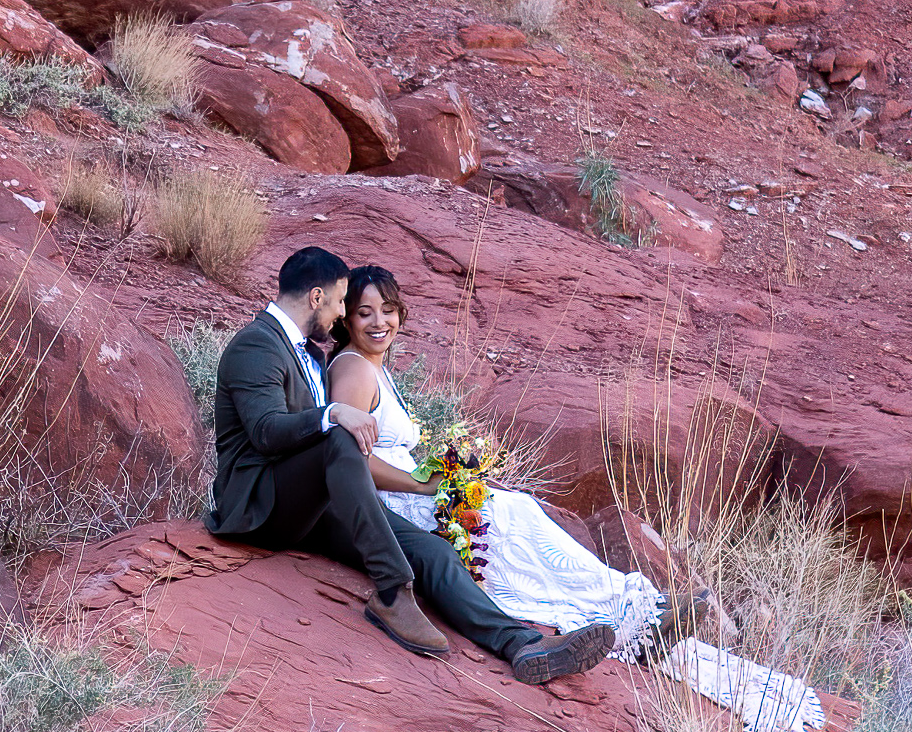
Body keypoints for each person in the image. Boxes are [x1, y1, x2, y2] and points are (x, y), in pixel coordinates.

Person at [207, 246, 615, 683]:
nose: (343, 313)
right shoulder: (256, 344)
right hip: (258, 507)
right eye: (343, 301)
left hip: (312, 502)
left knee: (433, 551)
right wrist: (333, 414)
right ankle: (392, 590)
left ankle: (520, 644)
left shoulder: (311, 352)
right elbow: (267, 431)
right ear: (316, 297)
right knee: (339, 438)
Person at [327, 264, 714, 662]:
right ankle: (631, 613)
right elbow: (353, 461)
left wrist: (449, 472)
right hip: (391, 504)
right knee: (513, 517)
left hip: (410, 488)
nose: (380, 322)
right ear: (347, 318)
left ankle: (635, 611)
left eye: (388, 309)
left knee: (518, 510)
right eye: (364, 312)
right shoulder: (353, 367)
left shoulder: (376, 368)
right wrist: (427, 485)